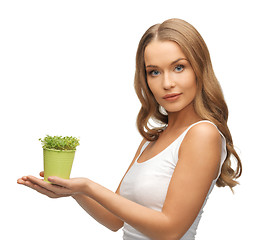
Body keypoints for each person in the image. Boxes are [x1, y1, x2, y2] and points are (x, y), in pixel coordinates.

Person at [17, 18, 242, 240]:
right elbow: (114, 220)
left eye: (179, 67)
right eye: (154, 71)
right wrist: (76, 191)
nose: (167, 83)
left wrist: (88, 186)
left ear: (200, 69)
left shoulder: (203, 133)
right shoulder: (152, 140)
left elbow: (170, 231)